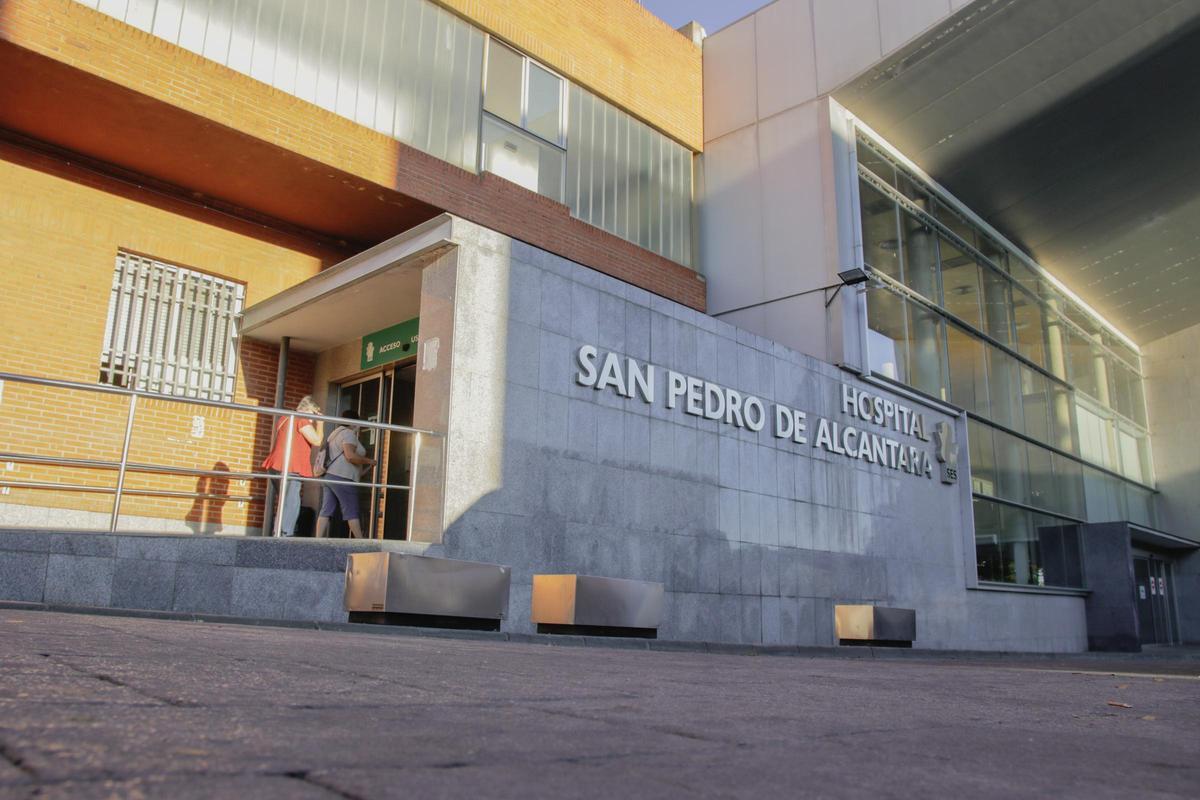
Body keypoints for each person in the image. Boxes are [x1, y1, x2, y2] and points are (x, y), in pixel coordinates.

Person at [261, 396, 323, 537]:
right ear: (307, 409)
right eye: (313, 414)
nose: (312, 420)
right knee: (292, 501)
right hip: (291, 466)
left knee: (284, 500)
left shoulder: (285, 418)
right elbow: (317, 440)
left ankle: (279, 532)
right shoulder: (301, 419)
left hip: (276, 465)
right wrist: (320, 424)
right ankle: (285, 533)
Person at [315, 410, 376, 539]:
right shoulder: (348, 434)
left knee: (326, 509)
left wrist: (366, 468)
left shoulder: (334, 434)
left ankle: (318, 539)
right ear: (354, 422)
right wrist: (369, 460)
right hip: (342, 477)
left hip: (329, 476)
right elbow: (350, 456)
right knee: (351, 510)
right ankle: (360, 541)